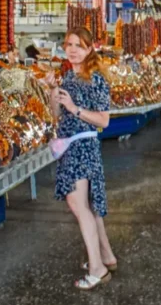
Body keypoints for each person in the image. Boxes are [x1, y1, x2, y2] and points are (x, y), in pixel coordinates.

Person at [46, 27, 117, 290]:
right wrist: (54, 95)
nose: (73, 49)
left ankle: (97, 268)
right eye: (69, 45)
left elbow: (104, 120)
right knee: (89, 206)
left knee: (79, 206)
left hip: (82, 148)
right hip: (69, 146)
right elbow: (57, 115)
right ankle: (106, 256)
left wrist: (75, 108)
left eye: (79, 45)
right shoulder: (68, 77)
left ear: (89, 49)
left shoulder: (95, 78)